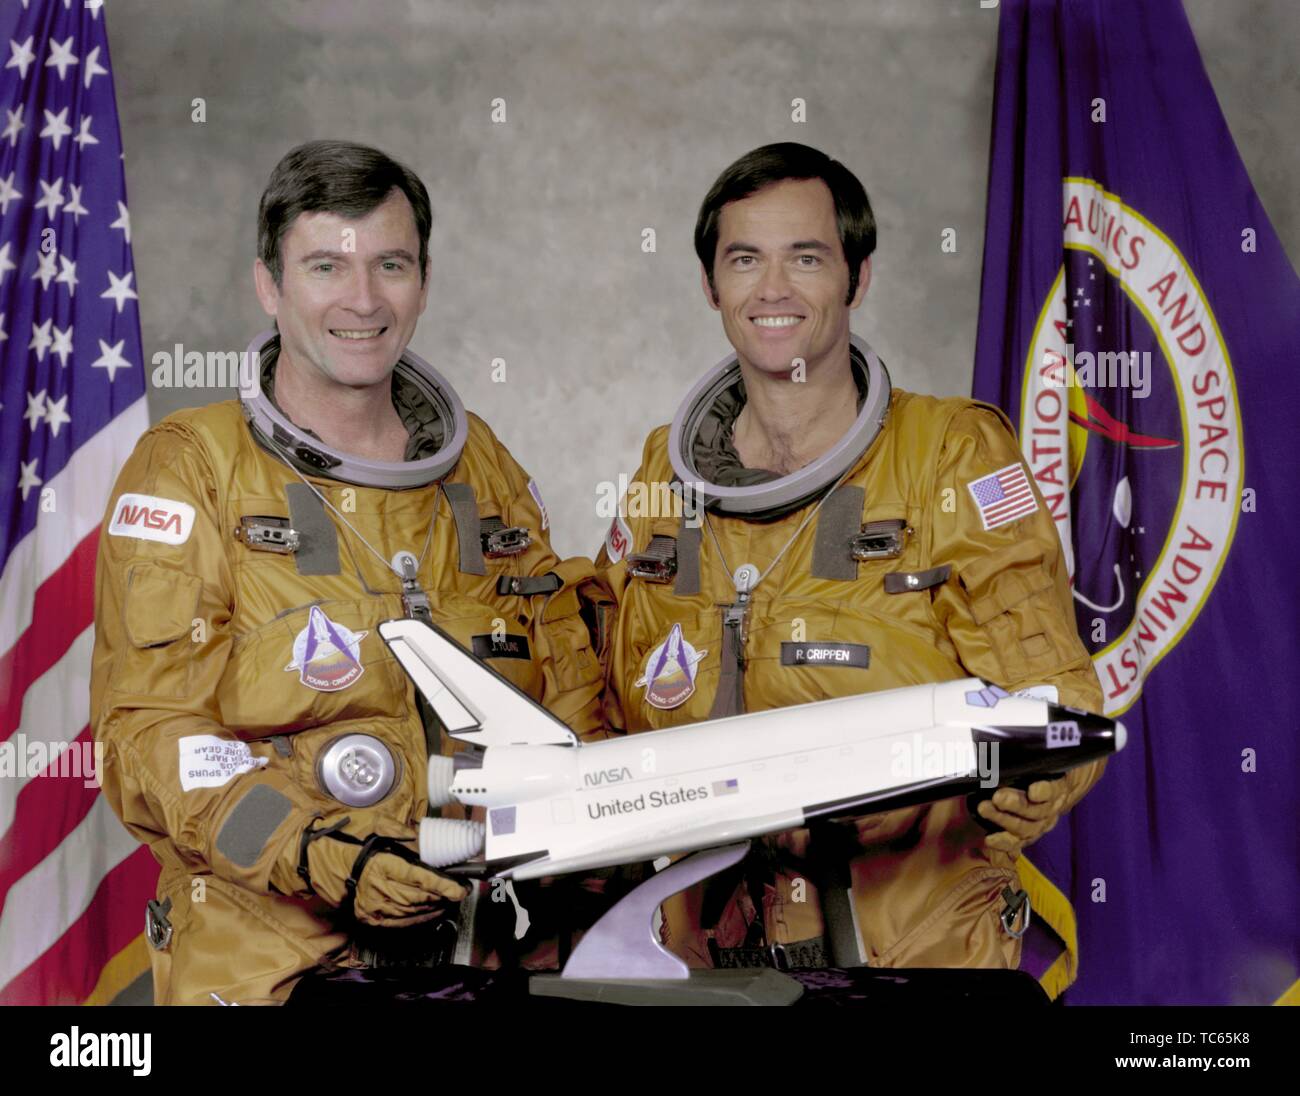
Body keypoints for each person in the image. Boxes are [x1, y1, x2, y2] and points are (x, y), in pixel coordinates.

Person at [90, 140, 608, 1005]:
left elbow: (567, 683)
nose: (363, 299)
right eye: (326, 265)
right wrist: (315, 853)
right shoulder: (192, 469)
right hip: (273, 970)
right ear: (270, 285)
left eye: (390, 264)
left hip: (489, 958)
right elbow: (152, 735)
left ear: (424, 279)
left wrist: (587, 836)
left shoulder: (480, 468)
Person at [595, 143, 1106, 1000]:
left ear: (857, 278)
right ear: (710, 285)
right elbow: (605, 695)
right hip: (702, 966)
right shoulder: (663, 477)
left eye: (807, 257)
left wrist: (1044, 777)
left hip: (913, 956)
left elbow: (1057, 691)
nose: (774, 289)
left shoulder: (949, 455)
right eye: (745, 259)